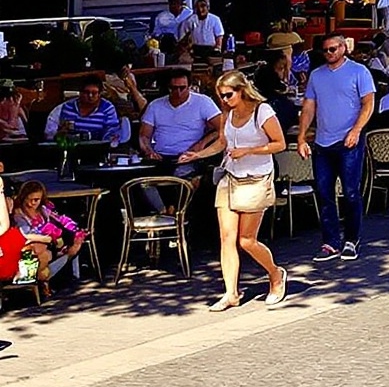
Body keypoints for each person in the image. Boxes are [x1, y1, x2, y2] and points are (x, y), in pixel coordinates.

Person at [181, 70, 287, 310]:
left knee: (247, 240)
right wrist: (197, 154)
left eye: (228, 95)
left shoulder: (262, 111)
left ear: (241, 91)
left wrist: (248, 151)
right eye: (221, 96)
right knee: (227, 238)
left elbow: (279, 143)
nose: (224, 100)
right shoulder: (227, 113)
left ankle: (275, 274)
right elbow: (222, 142)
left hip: (256, 177)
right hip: (231, 176)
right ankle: (231, 293)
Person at [296, 33, 376, 259]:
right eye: (326, 50)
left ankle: (351, 239)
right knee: (324, 193)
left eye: (333, 49)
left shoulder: (359, 71)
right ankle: (330, 242)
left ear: (343, 48)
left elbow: (368, 103)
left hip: (348, 140)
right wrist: (302, 136)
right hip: (323, 141)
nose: (329, 53)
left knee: (351, 192)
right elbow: (309, 105)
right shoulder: (316, 75)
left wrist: (356, 130)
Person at [5, 179, 85, 298]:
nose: (33, 203)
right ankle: (45, 280)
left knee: (71, 242)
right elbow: (25, 234)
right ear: (24, 197)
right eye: (30, 199)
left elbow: (57, 221)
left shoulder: (42, 210)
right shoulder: (19, 213)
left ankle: (51, 277)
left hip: (49, 243)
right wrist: (46, 238)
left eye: (36, 200)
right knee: (44, 255)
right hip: (34, 245)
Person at [138, 69, 220, 177]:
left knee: (181, 176)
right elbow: (144, 136)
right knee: (142, 182)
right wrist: (149, 151)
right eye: (174, 88)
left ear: (189, 86)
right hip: (160, 158)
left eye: (182, 88)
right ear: (168, 88)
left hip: (190, 157)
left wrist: (202, 144)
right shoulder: (155, 105)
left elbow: (223, 128)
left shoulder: (203, 102)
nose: (178, 92)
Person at [45, 77, 129, 146]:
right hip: (71, 147)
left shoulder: (108, 108)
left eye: (94, 93)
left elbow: (111, 131)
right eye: (86, 92)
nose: (90, 96)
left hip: (97, 149)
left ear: (100, 94)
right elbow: (51, 133)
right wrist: (60, 134)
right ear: (80, 93)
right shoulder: (66, 107)